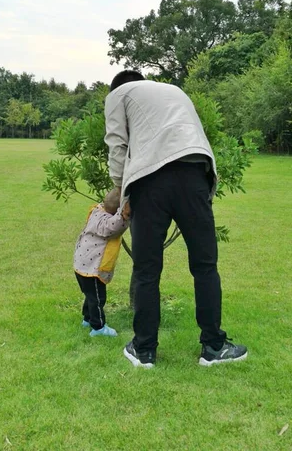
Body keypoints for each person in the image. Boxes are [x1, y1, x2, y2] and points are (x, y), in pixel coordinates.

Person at [104, 70, 247, 368]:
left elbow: (117, 145)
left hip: (150, 181)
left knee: (147, 269)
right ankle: (214, 347)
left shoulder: (118, 94)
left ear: (118, 86)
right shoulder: (173, 90)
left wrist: (122, 194)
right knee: (205, 265)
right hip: (195, 173)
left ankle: (143, 350)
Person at [74, 188, 130, 337]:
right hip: (93, 269)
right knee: (98, 299)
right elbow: (117, 224)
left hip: (81, 265)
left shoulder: (96, 211)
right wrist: (125, 212)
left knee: (90, 295)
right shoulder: (107, 224)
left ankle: (87, 318)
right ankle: (98, 327)